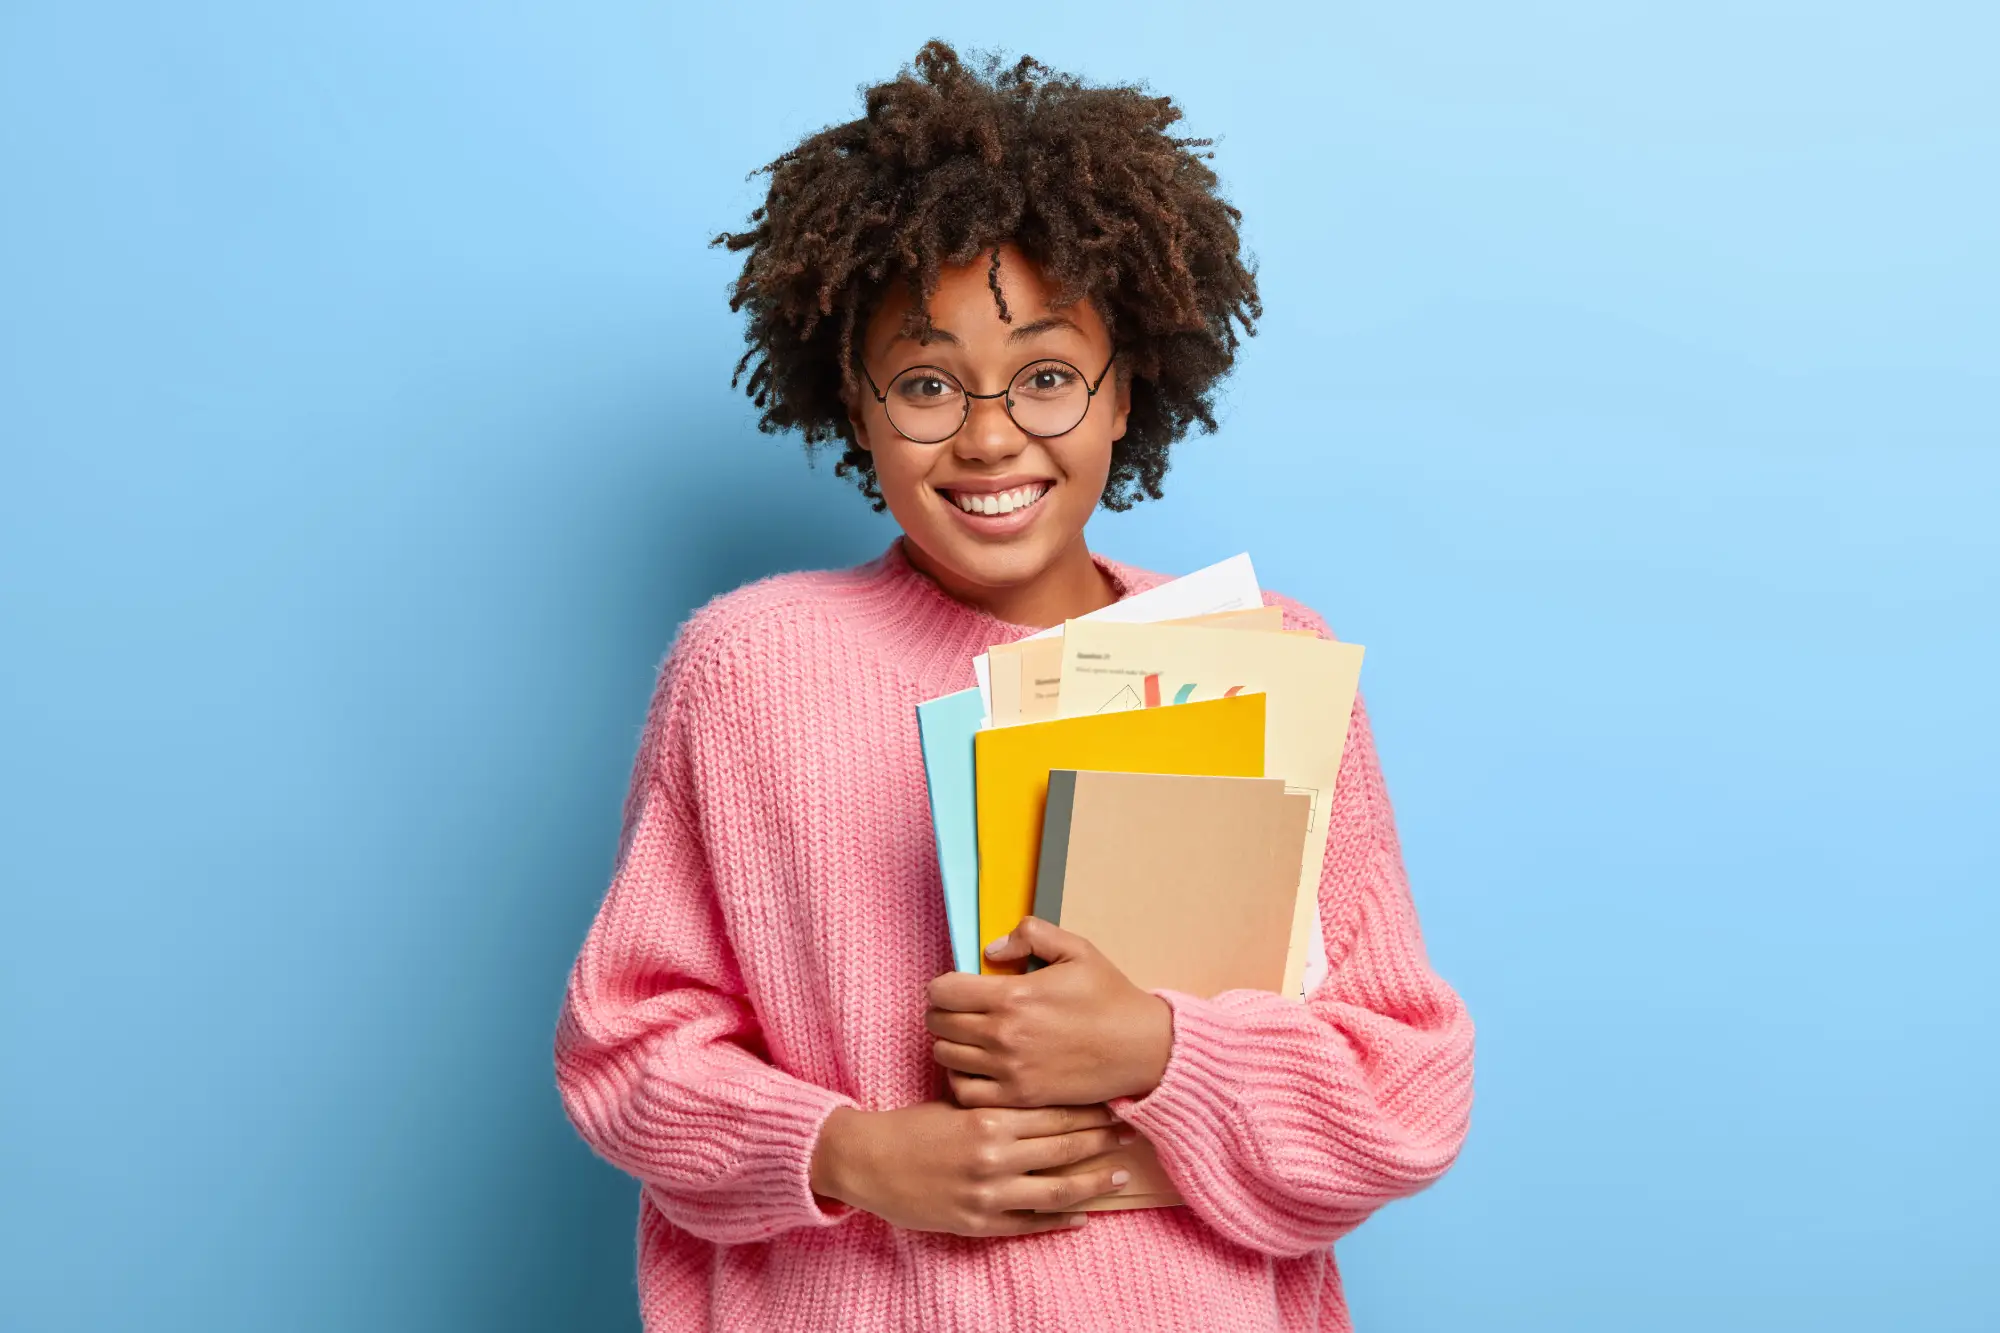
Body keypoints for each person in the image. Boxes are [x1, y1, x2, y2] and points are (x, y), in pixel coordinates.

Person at [552, 40, 1474, 1332]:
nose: (989, 436)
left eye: (1046, 376)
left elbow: (1405, 1086)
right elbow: (627, 1053)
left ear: (1125, 389)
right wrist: (856, 1155)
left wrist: (1158, 1052)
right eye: (926, 385)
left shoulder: (1267, 658)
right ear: (854, 405)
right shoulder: (747, 671)